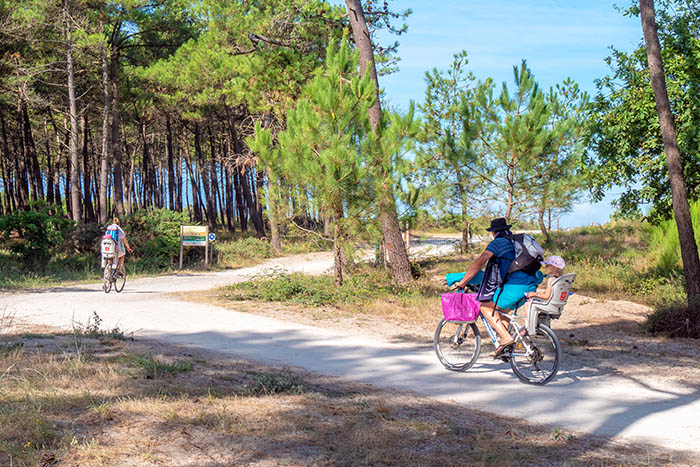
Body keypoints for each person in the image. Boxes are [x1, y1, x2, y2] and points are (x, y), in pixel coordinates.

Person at [452, 217, 542, 357]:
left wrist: (463, 282)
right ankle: (504, 346)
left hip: (515, 286)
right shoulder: (515, 241)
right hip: (530, 285)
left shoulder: (498, 243)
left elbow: (479, 263)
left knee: (485, 306)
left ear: (494, 232)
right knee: (501, 310)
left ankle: (506, 338)